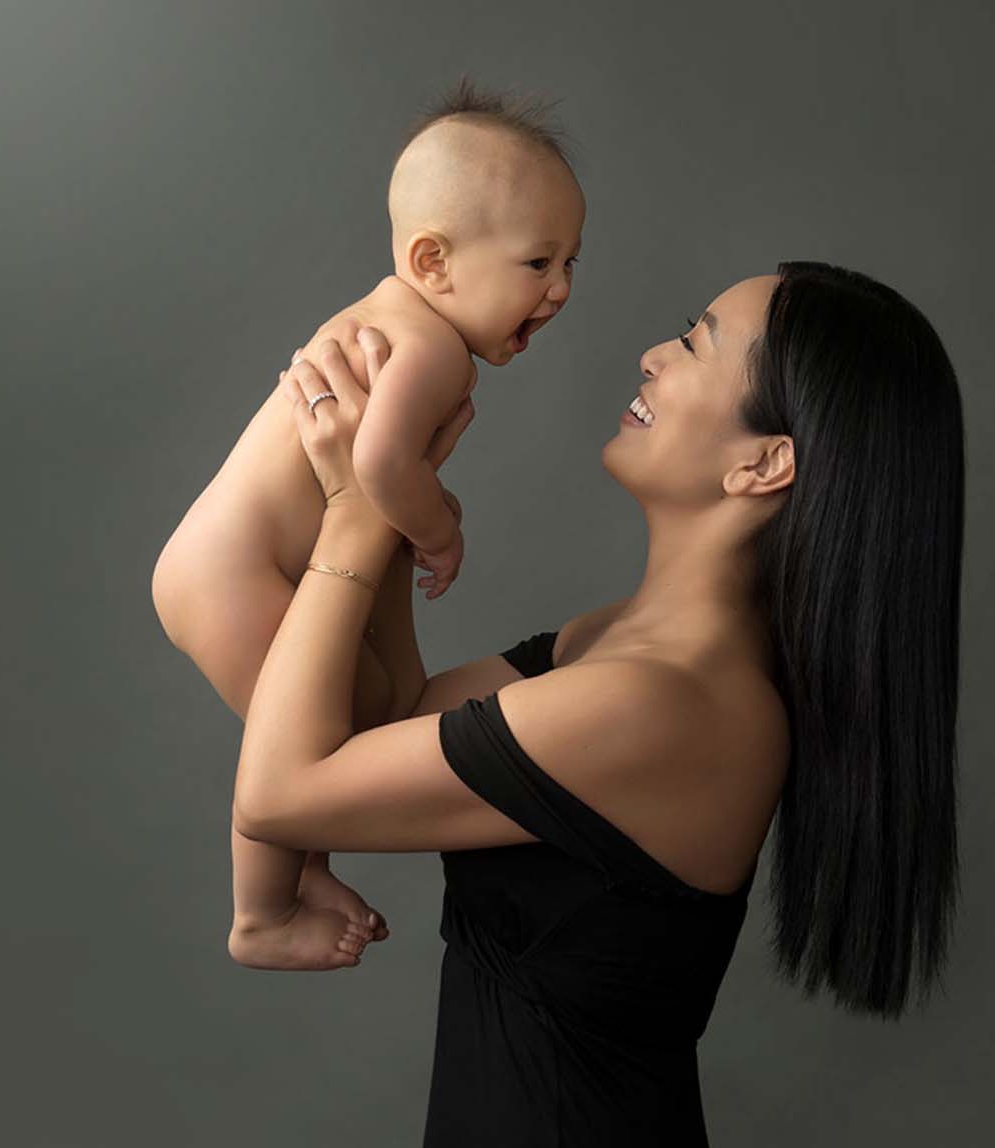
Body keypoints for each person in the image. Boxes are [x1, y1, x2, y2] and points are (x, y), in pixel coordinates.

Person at [151, 262, 967, 1144]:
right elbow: (378, 734)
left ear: (764, 464)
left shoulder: (670, 704)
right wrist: (388, 495)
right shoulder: (611, 646)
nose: (655, 354)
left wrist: (356, 512)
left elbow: (281, 795)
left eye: (697, 344)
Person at [154, 80, 583, 964]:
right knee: (311, 748)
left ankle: (298, 872)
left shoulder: (395, 319)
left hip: (225, 563)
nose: (562, 290)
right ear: (434, 263)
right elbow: (380, 466)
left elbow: (375, 469)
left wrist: (421, 504)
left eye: (573, 263)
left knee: (355, 716)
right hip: (235, 575)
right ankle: (262, 914)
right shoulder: (434, 352)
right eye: (538, 264)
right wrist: (441, 529)